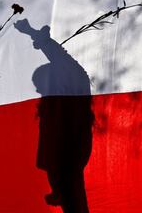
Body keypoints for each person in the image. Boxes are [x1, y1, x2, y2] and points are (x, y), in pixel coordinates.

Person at [15, 19, 94, 213]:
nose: (37, 89)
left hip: (68, 159)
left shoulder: (71, 97)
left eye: (39, 83)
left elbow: (64, 62)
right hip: (66, 164)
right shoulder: (58, 106)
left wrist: (37, 36)